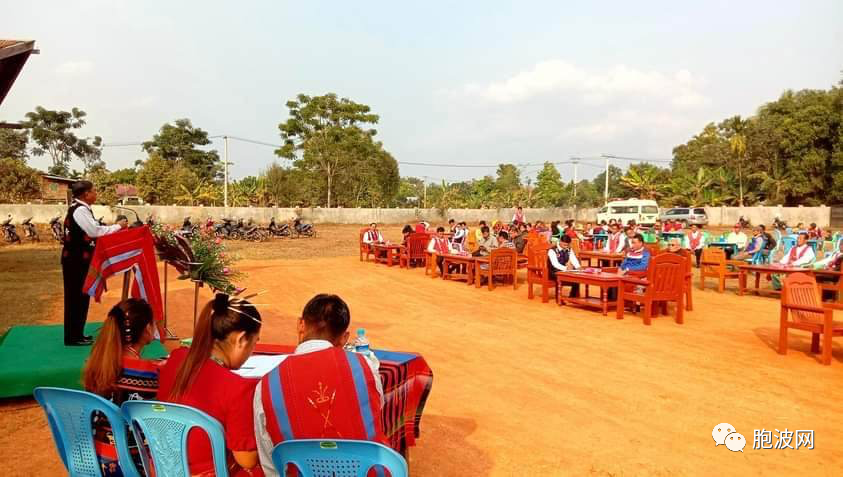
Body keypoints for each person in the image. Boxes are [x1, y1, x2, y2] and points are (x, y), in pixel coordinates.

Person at [254, 295, 386, 477]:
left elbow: (271, 461)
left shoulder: (266, 385)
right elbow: (375, 415)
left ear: (301, 325)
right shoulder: (366, 368)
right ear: (344, 338)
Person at [157, 294, 263, 477]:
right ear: (241, 339)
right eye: (254, 342)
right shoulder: (239, 388)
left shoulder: (176, 358)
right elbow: (247, 460)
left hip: (164, 467)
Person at [83, 299, 158, 477]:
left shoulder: (96, 365)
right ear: (147, 328)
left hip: (94, 458)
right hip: (131, 463)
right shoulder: (148, 375)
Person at [63, 180, 128, 346]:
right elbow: (94, 231)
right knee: (75, 298)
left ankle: (78, 333)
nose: (96, 194)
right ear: (86, 194)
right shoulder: (79, 210)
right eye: (94, 191)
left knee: (82, 297)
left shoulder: (82, 209)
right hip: (75, 260)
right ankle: (73, 337)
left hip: (79, 260)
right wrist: (118, 227)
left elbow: (94, 227)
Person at [607, 234, 651, 300]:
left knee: (625, 279)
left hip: (638, 273)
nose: (632, 245)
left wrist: (627, 270)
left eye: (634, 243)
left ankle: (624, 299)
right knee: (611, 277)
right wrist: (620, 268)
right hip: (626, 271)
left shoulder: (645, 253)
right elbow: (625, 262)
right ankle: (613, 299)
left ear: (641, 243)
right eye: (632, 243)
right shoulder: (630, 251)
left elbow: (643, 266)